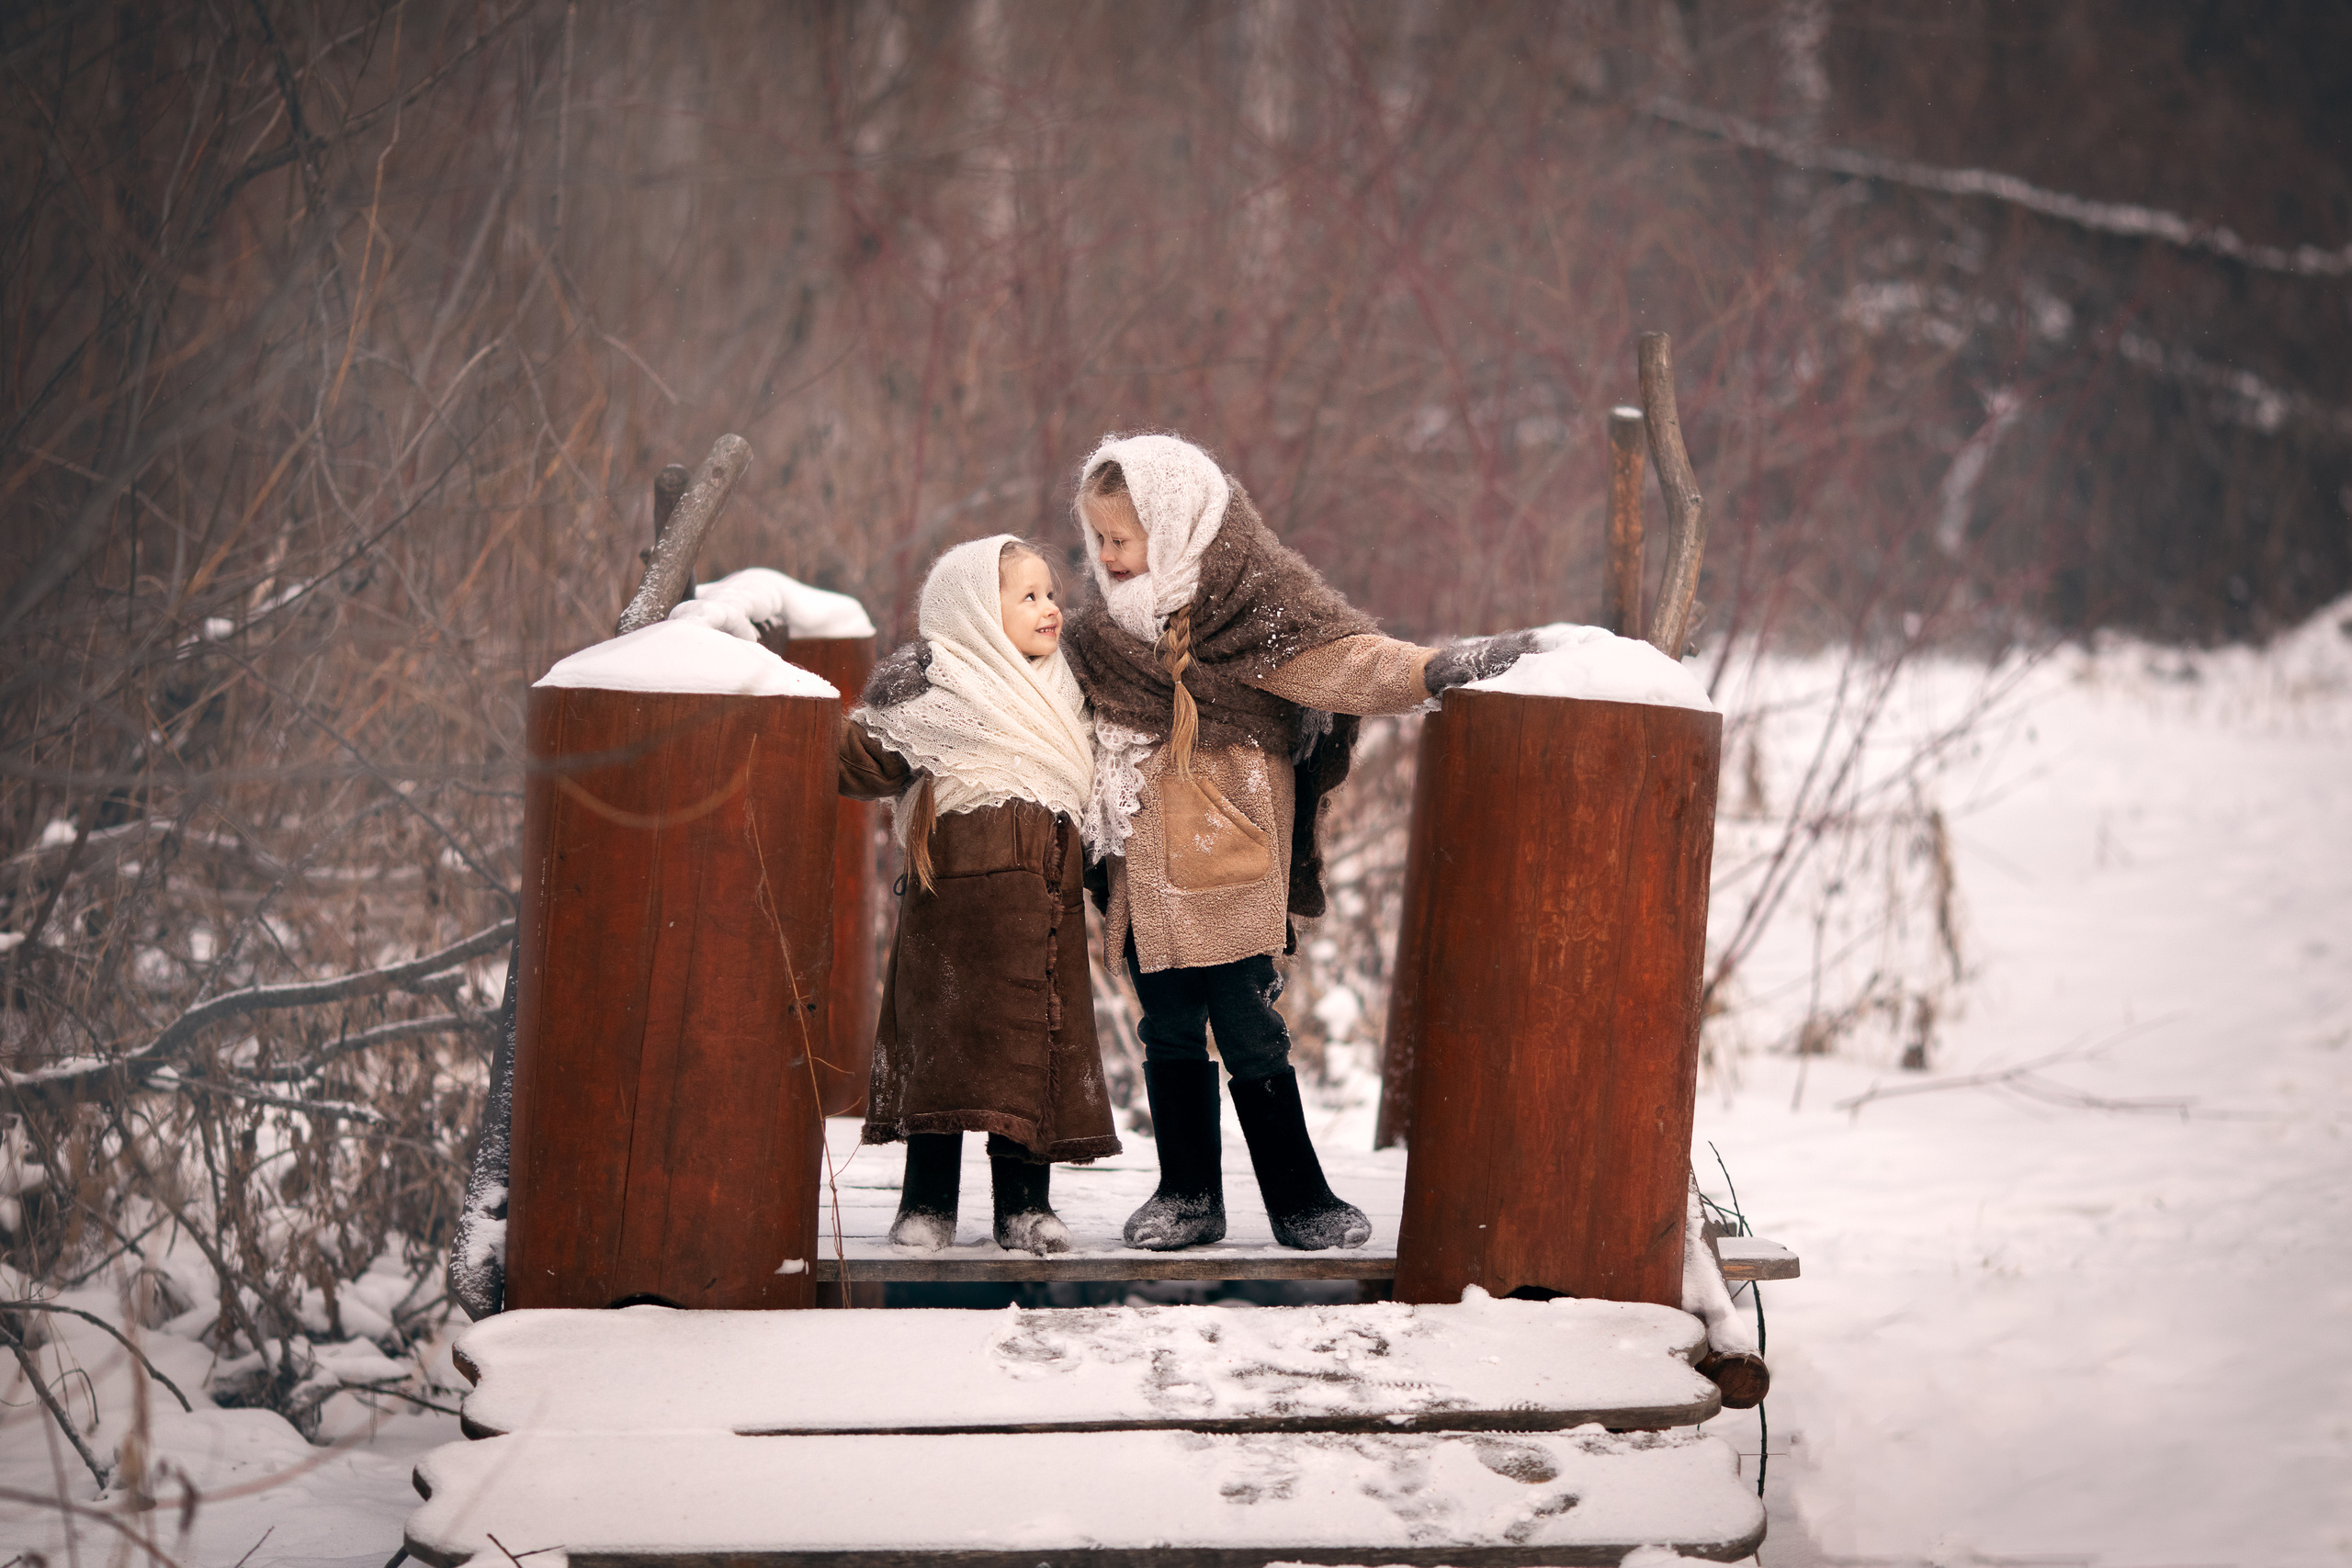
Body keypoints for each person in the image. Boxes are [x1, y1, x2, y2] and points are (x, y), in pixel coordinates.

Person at [1062, 433, 1534, 1250]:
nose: (1106, 557)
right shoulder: (1103, 634)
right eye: (1097, 539)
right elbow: (1030, 665)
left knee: (1250, 1030)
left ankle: (1300, 1197)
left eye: (1121, 540)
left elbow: (1344, 661)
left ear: (1175, 530)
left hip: (1232, 854)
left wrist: (1433, 670)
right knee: (1167, 1029)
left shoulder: (1248, 600)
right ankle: (1187, 1196)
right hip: (1143, 867)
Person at [837, 535, 1119, 1256]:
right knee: (941, 1051)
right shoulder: (940, 693)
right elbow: (858, 762)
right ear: (971, 612)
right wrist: (881, 700)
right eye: (1028, 596)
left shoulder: (1069, 689)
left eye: (1051, 593)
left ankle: (1024, 1206)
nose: (1050, 607)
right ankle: (926, 1206)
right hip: (951, 916)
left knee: (1037, 1054)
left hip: (1044, 913)